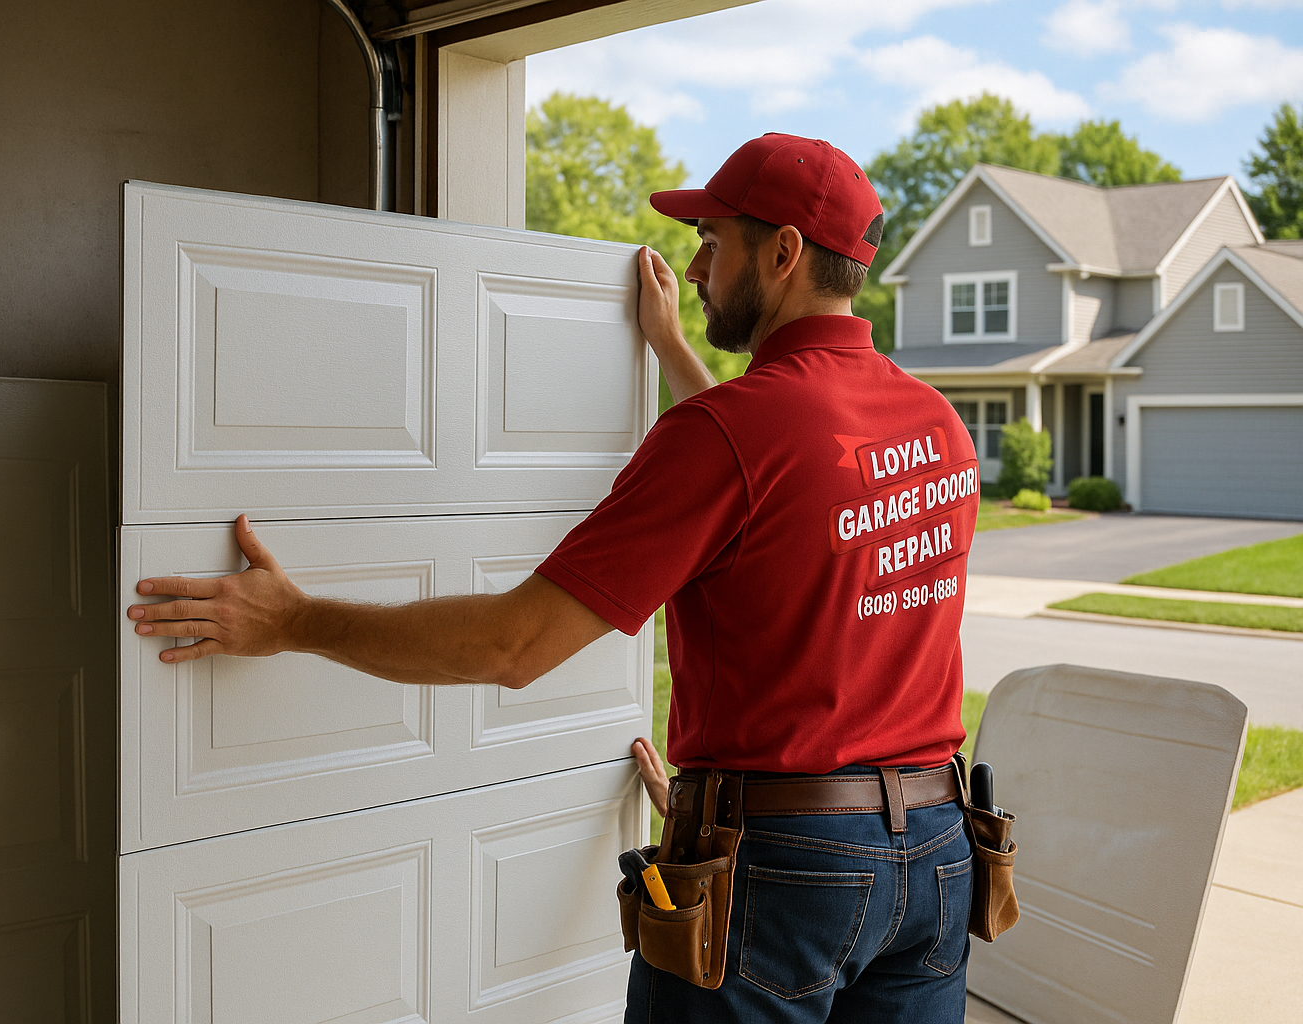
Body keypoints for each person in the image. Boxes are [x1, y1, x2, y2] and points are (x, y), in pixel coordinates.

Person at [128, 133, 980, 1024]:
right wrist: (672, 354)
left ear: (783, 252)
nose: (695, 269)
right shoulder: (936, 423)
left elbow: (513, 644)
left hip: (788, 871)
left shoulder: (733, 434)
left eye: (714, 242)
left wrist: (294, 621)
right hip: (934, 855)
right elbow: (781, 483)